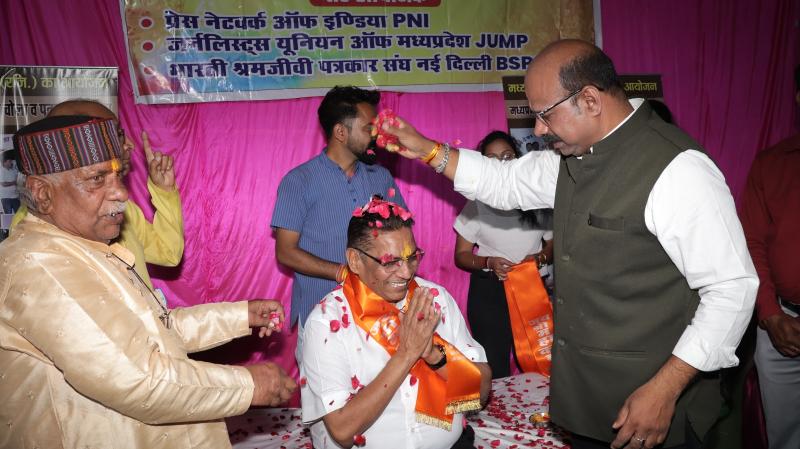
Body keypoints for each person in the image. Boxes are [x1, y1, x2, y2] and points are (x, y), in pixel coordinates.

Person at [379, 39, 757, 449]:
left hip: (652, 412)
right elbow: (503, 183)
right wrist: (427, 150)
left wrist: (666, 389)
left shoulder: (678, 169)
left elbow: (732, 289)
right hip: (587, 407)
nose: (539, 129)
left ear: (590, 100)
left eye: (545, 114)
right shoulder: (573, 158)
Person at [0, 115, 296, 449]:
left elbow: (155, 329)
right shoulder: (40, 263)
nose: (121, 192)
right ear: (43, 193)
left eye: (118, 175)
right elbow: (136, 377)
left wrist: (240, 315)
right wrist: (249, 385)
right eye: (97, 178)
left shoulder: (83, 247)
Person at [300, 196, 491, 449]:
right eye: (391, 262)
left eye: (412, 257)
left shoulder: (436, 299)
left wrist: (434, 355)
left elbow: (481, 393)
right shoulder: (326, 322)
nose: (406, 272)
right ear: (355, 260)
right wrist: (407, 354)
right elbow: (343, 431)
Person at [271, 85, 406, 348]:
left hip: (379, 316)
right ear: (341, 132)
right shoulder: (299, 181)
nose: (376, 135)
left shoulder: (381, 177)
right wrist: (344, 273)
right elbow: (285, 252)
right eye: (369, 129)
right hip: (320, 316)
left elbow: (402, 236)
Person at [11, 99, 184, 290]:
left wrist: (164, 191)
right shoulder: (32, 233)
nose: (128, 144)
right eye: (96, 178)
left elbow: (168, 253)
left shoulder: (119, 209)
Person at [453, 130, 553, 378]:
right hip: (490, 293)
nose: (501, 164)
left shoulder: (536, 197)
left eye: (507, 156)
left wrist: (539, 258)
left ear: (518, 158)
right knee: (495, 367)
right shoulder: (476, 203)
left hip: (531, 289)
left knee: (539, 363)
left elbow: (553, 245)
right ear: (483, 164)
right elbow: (461, 255)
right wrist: (488, 261)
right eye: (492, 159)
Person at [740, 64, 800, 449]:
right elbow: (753, 243)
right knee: (786, 437)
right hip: (782, 326)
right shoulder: (772, 164)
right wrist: (771, 315)